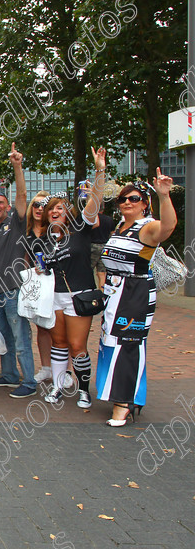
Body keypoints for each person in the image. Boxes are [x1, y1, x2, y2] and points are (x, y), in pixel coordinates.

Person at [96, 158, 177, 426]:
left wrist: (164, 196)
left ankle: (124, 403)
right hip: (114, 293)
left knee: (127, 346)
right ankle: (125, 396)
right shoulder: (119, 227)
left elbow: (168, 228)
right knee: (112, 344)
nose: (127, 202)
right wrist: (100, 172)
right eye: (122, 199)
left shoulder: (148, 226)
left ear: (145, 203)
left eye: (134, 198)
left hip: (135, 294)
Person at [39, 161, 106, 409]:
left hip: (79, 296)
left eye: (60, 208)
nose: (55, 212)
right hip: (55, 297)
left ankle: (84, 390)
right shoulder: (45, 240)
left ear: (69, 211)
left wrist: (99, 172)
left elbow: (94, 204)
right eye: (51, 210)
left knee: (77, 345)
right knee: (59, 343)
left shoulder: (80, 230)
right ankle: (57, 386)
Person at [0, 142, 36, 398]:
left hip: (13, 291)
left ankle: (29, 381)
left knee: (21, 338)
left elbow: (22, 197)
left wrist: (18, 167)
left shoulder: (16, 223)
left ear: (7, 206)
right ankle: (9, 375)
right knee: (5, 337)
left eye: (0, 203)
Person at [25, 191, 57, 386]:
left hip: (57, 283)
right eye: (36, 205)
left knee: (60, 330)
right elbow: (24, 258)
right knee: (43, 327)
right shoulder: (27, 231)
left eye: (44, 206)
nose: (39, 209)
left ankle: (64, 370)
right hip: (37, 284)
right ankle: (46, 368)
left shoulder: (56, 229)